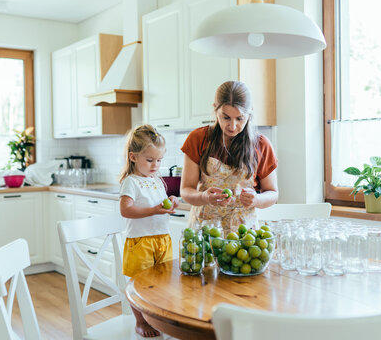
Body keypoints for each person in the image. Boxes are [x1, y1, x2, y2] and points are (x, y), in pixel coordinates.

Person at [180, 80, 278, 231]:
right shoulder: (198, 138)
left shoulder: (261, 144)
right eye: (226, 117)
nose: (232, 126)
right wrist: (204, 197)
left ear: (249, 112)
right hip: (205, 230)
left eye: (240, 118)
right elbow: (186, 190)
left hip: (243, 234)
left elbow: (272, 193)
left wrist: (257, 199)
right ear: (215, 109)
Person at [119, 124, 179, 338]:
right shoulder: (131, 182)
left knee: (162, 283)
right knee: (138, 285)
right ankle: (140, 321)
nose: (156, 165)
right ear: (133, 157)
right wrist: (154, 209)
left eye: (159, 160)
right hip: (140, 241)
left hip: (162, 239)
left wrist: (170, 202)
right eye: (150, 160)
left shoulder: (156, 181)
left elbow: (160, 206)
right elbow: (125, 210)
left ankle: (157, 318)